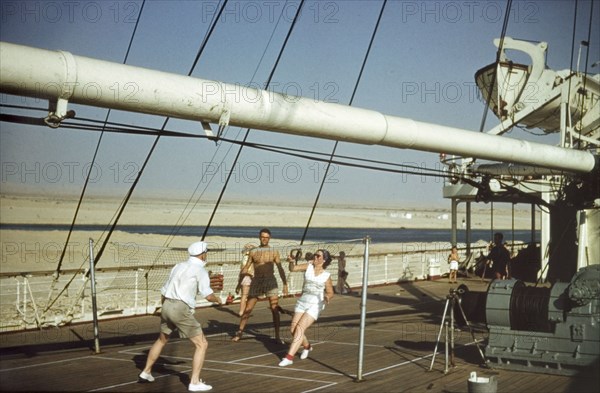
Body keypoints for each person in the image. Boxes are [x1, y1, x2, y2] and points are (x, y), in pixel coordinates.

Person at [139, 241, 222, 392]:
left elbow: (164, 290)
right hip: (180, 308)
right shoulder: (201, 271)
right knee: (201, 344)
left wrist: (165, 307)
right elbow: (208, 296)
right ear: (203, 254)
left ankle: (146, 372)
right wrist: (219, 300)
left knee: (162, 339)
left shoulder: (178, 266)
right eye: (206, 252)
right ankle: (195, 382)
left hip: (166, 305)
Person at [278, 249, 334, 367]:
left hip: (315, 304)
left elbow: (330, 292)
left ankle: (289, 357)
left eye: (318, 255)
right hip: (303, 301)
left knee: (299, 329)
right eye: (315, 254)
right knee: (293, 329)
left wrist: (327, 297)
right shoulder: (308, 266)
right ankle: (307, 346)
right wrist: (291, 261)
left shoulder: (326, 275)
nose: (315, 256)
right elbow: (292, 268)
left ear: (323, 260)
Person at [232, 228, 289, 343]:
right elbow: (246, 267)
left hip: (270, 281)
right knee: (248, 309)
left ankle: (277, 336)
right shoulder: (254, 252)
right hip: (257, 281)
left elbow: (280, 268)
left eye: (267, 237)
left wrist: (285, 283)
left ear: (270, 238)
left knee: (274, 309)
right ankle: (239, 333)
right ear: (259, 237)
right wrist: (239, 283)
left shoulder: (274, 251)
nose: (265, 239)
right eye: (263, 237)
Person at [235, 243, 255, 316]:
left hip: (244, 277)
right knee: (248, 295)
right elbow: (247, 269)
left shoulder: (244, 257)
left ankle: (241, 311)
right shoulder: (250, 258)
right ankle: (244, 311)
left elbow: (242, 270)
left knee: (244, 295)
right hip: (249, 277)